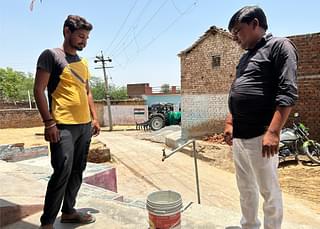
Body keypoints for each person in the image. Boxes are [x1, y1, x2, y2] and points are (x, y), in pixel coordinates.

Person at [224, 6, 298, 229]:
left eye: (238, 31)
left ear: (255, 24)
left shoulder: (280, 46)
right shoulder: (246, 57)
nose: (236, 38)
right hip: (239, 138)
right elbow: (236, 90)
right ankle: (249, 225)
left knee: (269, 192)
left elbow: (288, 92)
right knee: (245, 188)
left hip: (261, 137)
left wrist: (273, 132)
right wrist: (230, 122)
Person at [34, 15, 100, 229]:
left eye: (87, 38)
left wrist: (95, 118)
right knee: (62, 170)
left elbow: (87, 91)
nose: (84, 41)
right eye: (81, 36)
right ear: (66, 32)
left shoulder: (83, 62)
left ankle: (69, 211)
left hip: (84, 126)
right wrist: (49, 123)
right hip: (63, 126)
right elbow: (39, 90)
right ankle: (47, 223)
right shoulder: (51, 56)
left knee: (78, 170)